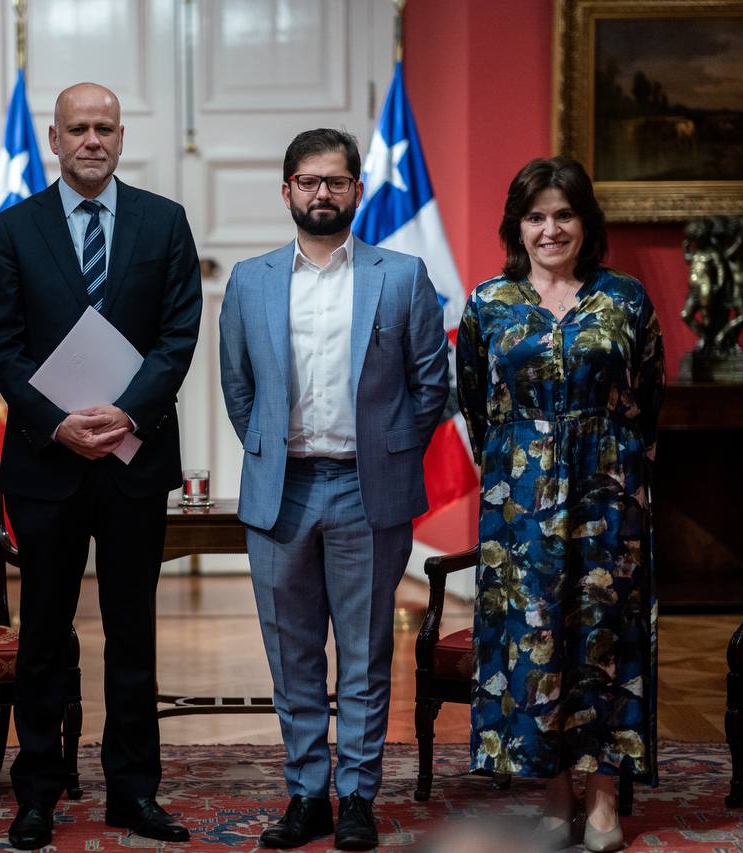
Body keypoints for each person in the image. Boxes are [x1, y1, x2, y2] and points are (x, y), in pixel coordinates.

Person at [0, 82, 202, 850]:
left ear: (121, 137)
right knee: (44, 632)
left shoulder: (164, 221)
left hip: (135, 457)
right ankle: (38, 791)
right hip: (48, 461)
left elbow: (178, 335)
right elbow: (2, 343)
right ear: (54, 138)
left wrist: (126, 413)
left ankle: (134, 792)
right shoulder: (15, 227)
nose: (92, 140)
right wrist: (57, 422)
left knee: (132, 632)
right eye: (77, 128)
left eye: (105, 127)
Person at [219, 128, 449, 850]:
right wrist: (270, 452)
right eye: (309, 181)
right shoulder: (250, 280)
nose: (323, 192)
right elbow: (238, 385)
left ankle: (356, 797)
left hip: (366, 490)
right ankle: (306, 795)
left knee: (365, 652)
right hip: (281, 491)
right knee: (292, 655)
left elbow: (431, 386)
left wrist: (385, 451)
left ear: (357, 190)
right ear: (286, 191)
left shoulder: (401, 275)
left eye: (336, 181)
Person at [456, 157, 664, 853]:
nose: (551, 229)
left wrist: (613, 459)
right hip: (520, 502)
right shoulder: (488, 302)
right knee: (534, 638)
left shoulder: (626, 298)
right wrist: (523, 463)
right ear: (518, 227)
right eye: (536, 216)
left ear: (586, 222)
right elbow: (475, 403)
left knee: (606, 637)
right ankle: (552, 792)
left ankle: (603, 794)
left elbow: (650, 398)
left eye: (564, 214)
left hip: (611, 490)